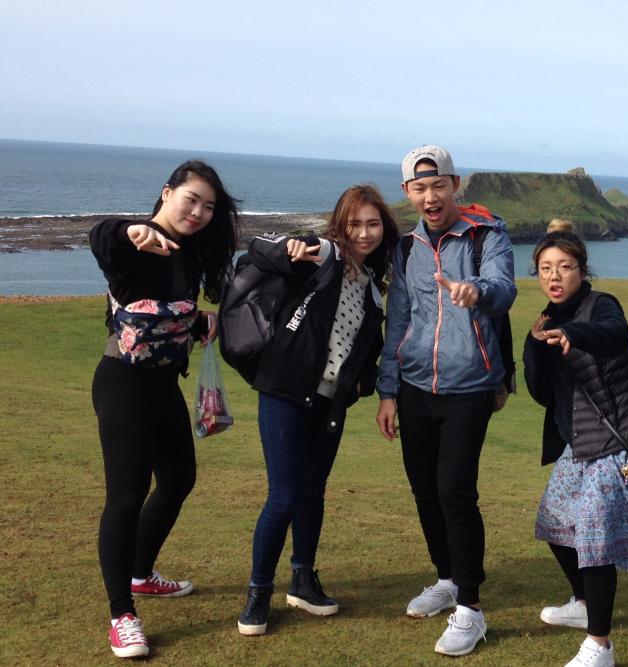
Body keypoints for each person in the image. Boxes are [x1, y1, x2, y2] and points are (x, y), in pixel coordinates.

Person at [89, 160, 240, 659]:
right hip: (123, 386)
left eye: (208, 207)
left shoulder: (189, 255)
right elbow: (102, 238)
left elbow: (165, 311)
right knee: (126, 497)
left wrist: (199, 321)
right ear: (166, 192)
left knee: (178, 480)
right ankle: (121, 614)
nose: (198, 212)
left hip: (160, 388)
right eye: (190, 199)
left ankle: (140, 572)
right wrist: (131, 230)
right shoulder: (136, 243)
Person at [236, 185, 400, 636]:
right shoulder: (321, 255)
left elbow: (366, 348)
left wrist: (366, 386)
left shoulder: (372, 285)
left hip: (329, 404)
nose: (364, 233)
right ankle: (258, 592)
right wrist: (289, 246)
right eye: (355, 223)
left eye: (372, 224)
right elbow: (256, 248)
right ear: (339, 225)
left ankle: (303, 579)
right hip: (285, 393)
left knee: (313, 491)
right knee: (283, 497)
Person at [376, 145, 517, 656]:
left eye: (439, 185)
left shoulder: (487, 236)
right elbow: (398, 320)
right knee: (424, 490)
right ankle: (448, 579)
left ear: (456, 185)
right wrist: (388, 390)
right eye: (420, 188)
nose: (431, 196)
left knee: (454, 490)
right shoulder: (406, 246)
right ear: (408, 193)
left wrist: (473, 291)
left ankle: (472, 609)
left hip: (469, 385)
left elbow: (504, 289)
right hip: (414, 386)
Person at [524, 230, 628, 667]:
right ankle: (584, 601)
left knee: (593, 542)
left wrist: (575, 332)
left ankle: (600, 646)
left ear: (582, 269)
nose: (555, 277)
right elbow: (540, 391)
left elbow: (615, 334)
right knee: (554, 525)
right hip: (579, 444)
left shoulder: (601, 305)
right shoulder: (544, 320)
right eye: (546, 269)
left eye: (565, 267)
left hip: (614, 442)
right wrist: (536, 345)